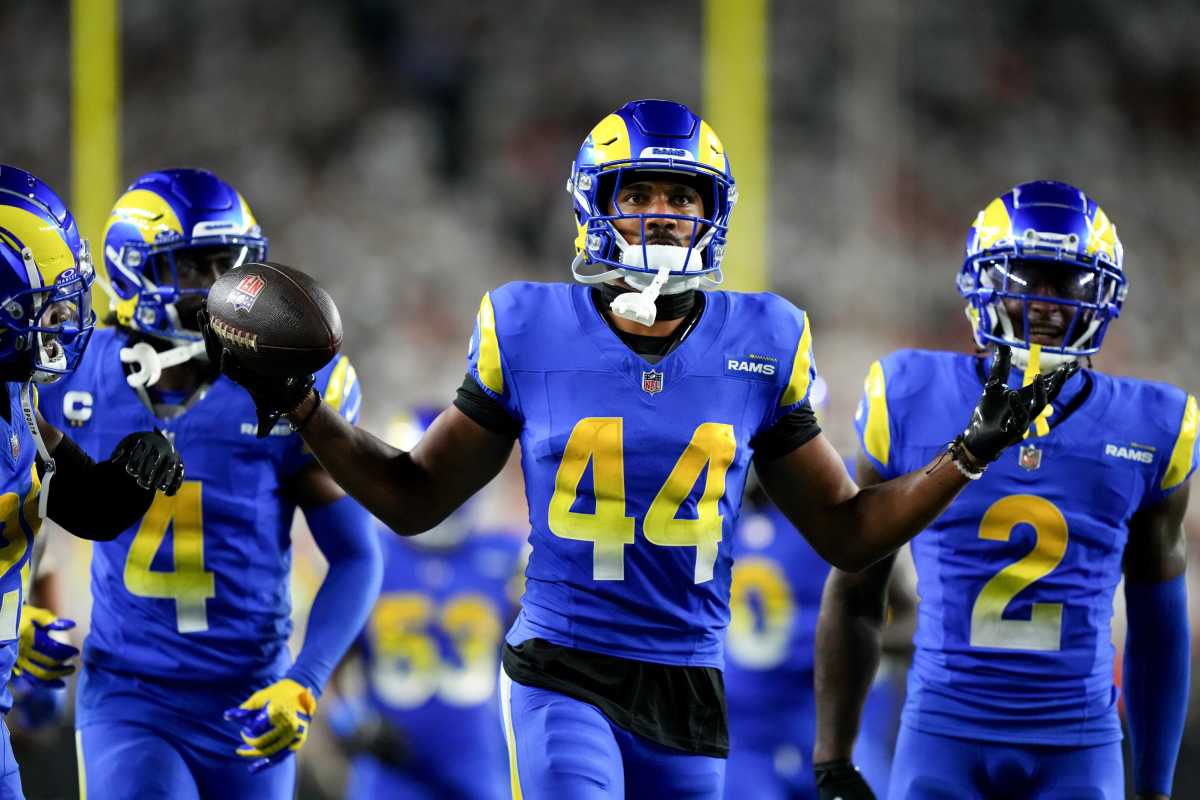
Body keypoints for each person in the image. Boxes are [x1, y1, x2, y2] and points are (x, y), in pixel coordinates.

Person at [203, 100, 1068, 800]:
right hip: (562, 667)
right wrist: (306, 407)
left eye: (684, 196)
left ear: (713, 212)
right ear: (596, 205)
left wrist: (969, 450)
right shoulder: (528, 324)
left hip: (689, 679)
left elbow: (847, 534)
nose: (663, 211)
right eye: (639, 193)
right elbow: (416, 496)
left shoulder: (764, 337)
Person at [812, 180, 1193, 800]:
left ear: (1099, 294)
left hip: (1078, 745)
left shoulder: (1150, 426)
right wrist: (833, 756)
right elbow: (857, 589)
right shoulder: (908, 395)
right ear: (984, 283)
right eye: (1027, 277)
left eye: (1064, 282)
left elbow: (1158, 627)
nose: (1045, 302)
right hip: (941, 736)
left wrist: (1154, 788)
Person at [37, 168, 382, 800]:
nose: (223, 288)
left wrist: (304, 680)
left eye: (235, 265)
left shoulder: (284, 384)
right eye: (196, 266)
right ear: (132, 271)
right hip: (129, 695)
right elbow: (17, 510)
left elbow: (356, 554)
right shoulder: (73, 372)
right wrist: (29, 606)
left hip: (250, 698)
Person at [0, 164, 185, 799]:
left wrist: (134, 469)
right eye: (43, 302)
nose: (60, 318)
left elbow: (87, 506)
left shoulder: (16, 396)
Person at [724, 381, 913, 799]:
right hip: (742, 735)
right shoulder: (709, 505)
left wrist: (847, 645)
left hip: (827, 721)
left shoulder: (842, 499)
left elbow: (905, 612)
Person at [327, 409, 524, 800]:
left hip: (479, 764)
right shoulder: (370, 558)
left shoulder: (505, 558)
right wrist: (350, 722)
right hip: (392, 769)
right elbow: (326, 663)